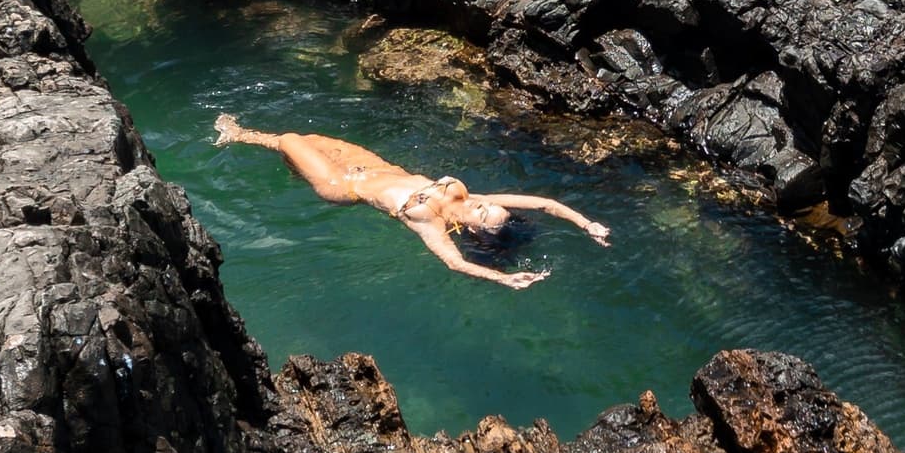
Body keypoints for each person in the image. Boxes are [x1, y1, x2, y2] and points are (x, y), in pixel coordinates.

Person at [214, 114, 609, 289]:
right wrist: (586, 223)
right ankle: (252, 142)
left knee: (290, 140)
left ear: (473, 228)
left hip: (342, 186)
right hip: (372, 166)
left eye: (484, 213)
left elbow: (455, 263)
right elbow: (541, 203)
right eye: (488, 206)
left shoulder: (431, 223)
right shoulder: (469, 195)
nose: (483, 204)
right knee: (312, 139)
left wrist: (503, 278)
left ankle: (239, 135)